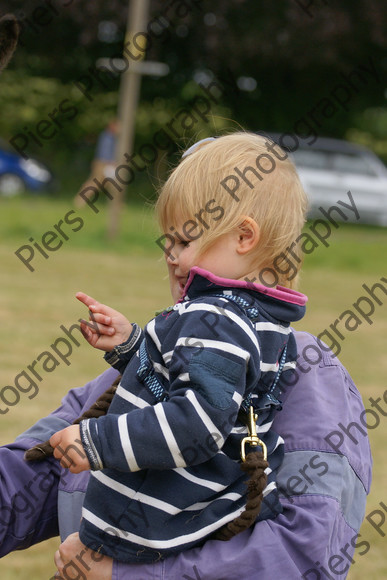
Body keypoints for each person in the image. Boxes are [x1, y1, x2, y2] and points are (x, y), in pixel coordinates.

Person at [49, 132, 309, 563]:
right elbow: (186, 385)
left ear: (244, 236)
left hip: (147, 524)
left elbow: (195, 424)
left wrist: (97, 442)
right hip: (191, 521)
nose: (170, 254)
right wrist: (133, 345)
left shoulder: (218, 320)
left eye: (183, 241)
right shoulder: (263, 322)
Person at [0, 331, 371, 579]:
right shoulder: (154, 359)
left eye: (193, 235)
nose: (174, 256)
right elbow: (24, 481)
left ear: (250, 239)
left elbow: (301, 559)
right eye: (172, 236)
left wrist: (126, 575)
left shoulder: (306, 374)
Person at [74, 118, 120, 208]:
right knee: (94, 183)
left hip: (103, 163)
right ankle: (79, 201)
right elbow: (105, 152)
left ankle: (117, 205)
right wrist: (111, 163)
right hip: (102, 164)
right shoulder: (108, 137)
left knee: (111, 185)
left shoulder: (108, 136)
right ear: (112, 126)